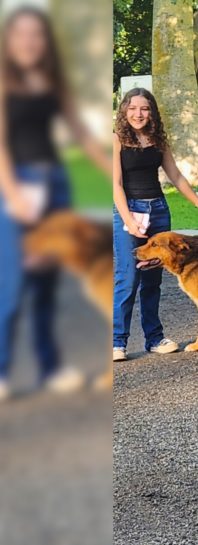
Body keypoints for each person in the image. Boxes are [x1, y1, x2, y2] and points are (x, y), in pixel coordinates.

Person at [0, 7, 111, 400]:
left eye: (36, 35)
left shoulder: (52, 80)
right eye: (22, 35)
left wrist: (111, 170)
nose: (29, 42)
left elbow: (80, 133)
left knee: (48, 284)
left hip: (55, 185)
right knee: (12, 285)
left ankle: (49, 366)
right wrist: (13, 194)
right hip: (16, 186)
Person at [112, 88, 198, 362]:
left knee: (153, 279)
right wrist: (128, 220)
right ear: (124, 110)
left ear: (152, 112)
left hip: (158, 210)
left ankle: (154, 338)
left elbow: (176, 176)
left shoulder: (158, 139)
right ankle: (117, 342)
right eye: (133, 108)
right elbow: (115, 184)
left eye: (144, 109)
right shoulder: (115, 140)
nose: (138, 114)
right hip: (129, 210)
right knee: (128, 276)